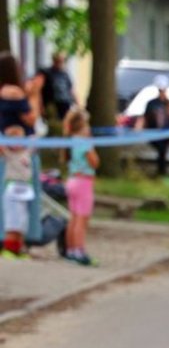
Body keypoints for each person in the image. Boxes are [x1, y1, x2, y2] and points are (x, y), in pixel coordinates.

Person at [62, 105, 99, 266]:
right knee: (81, 220)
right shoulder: (84, 143)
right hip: (84, 183)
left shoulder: (71, 141)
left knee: (73, 218)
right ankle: (79, 251)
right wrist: (91, 145)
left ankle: (70, 250)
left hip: (71, 181)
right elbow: (95, 162)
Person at [1, 124, 35, 258]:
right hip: (12, 191)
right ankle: (8, 249)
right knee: (12, 221)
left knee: (22, 221)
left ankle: (18, 249)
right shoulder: (8, 154)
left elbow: (35, 139)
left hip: (25, 191)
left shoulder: (27, 153)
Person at [137, 75, 169, 176]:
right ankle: (161, 172)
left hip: (167, 135)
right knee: (161, 151)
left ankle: (161, 172)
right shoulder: (151, 103)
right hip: (153, 134)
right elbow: (145, 118)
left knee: (163, 152)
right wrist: (139, 130)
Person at [31, 52, 75, 126]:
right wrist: (40, 106)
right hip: (51, 104)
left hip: (65, 105)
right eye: (58, 60)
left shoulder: (65, 74)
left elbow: (71, 90)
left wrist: (78, 105)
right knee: (54, 126)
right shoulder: (45, 72)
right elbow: (37, 89)